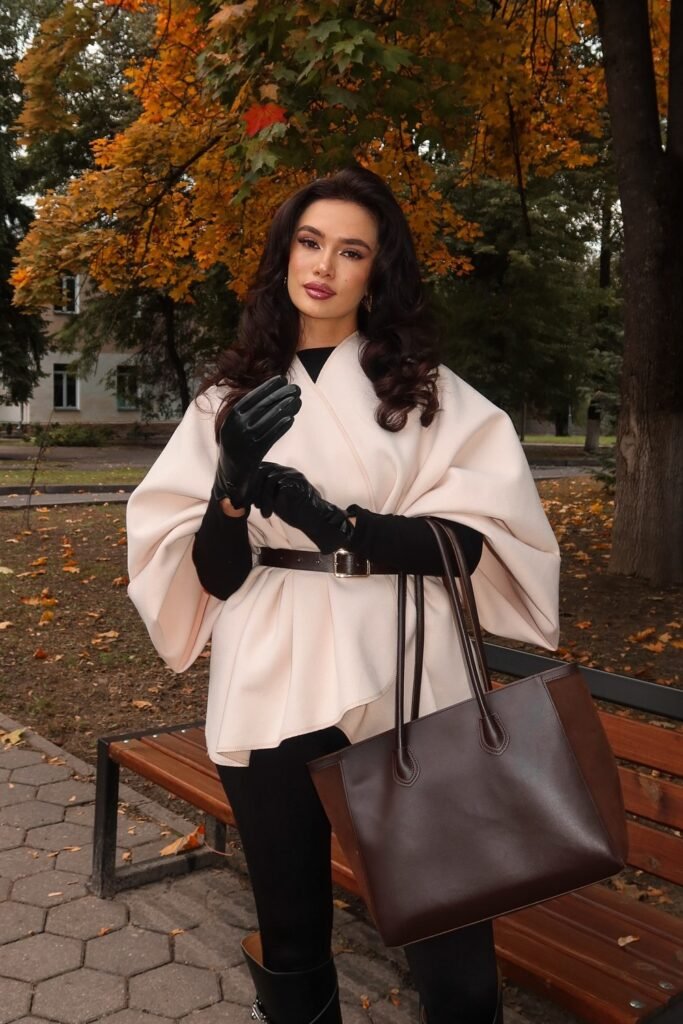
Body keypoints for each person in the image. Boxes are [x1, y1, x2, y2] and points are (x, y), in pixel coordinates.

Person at [126, 166, 560, 1024]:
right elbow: (216, 576)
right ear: (286, 253)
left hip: (403, 657)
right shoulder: (226, 400)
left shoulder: (427, 392)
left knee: (450, 934)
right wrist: (230, 490)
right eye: (310, 241)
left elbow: (470, 543)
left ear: (376, 272)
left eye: (351, 251)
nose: (323, 265)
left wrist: (340, 524)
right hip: (271, 657)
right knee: (290, 934)